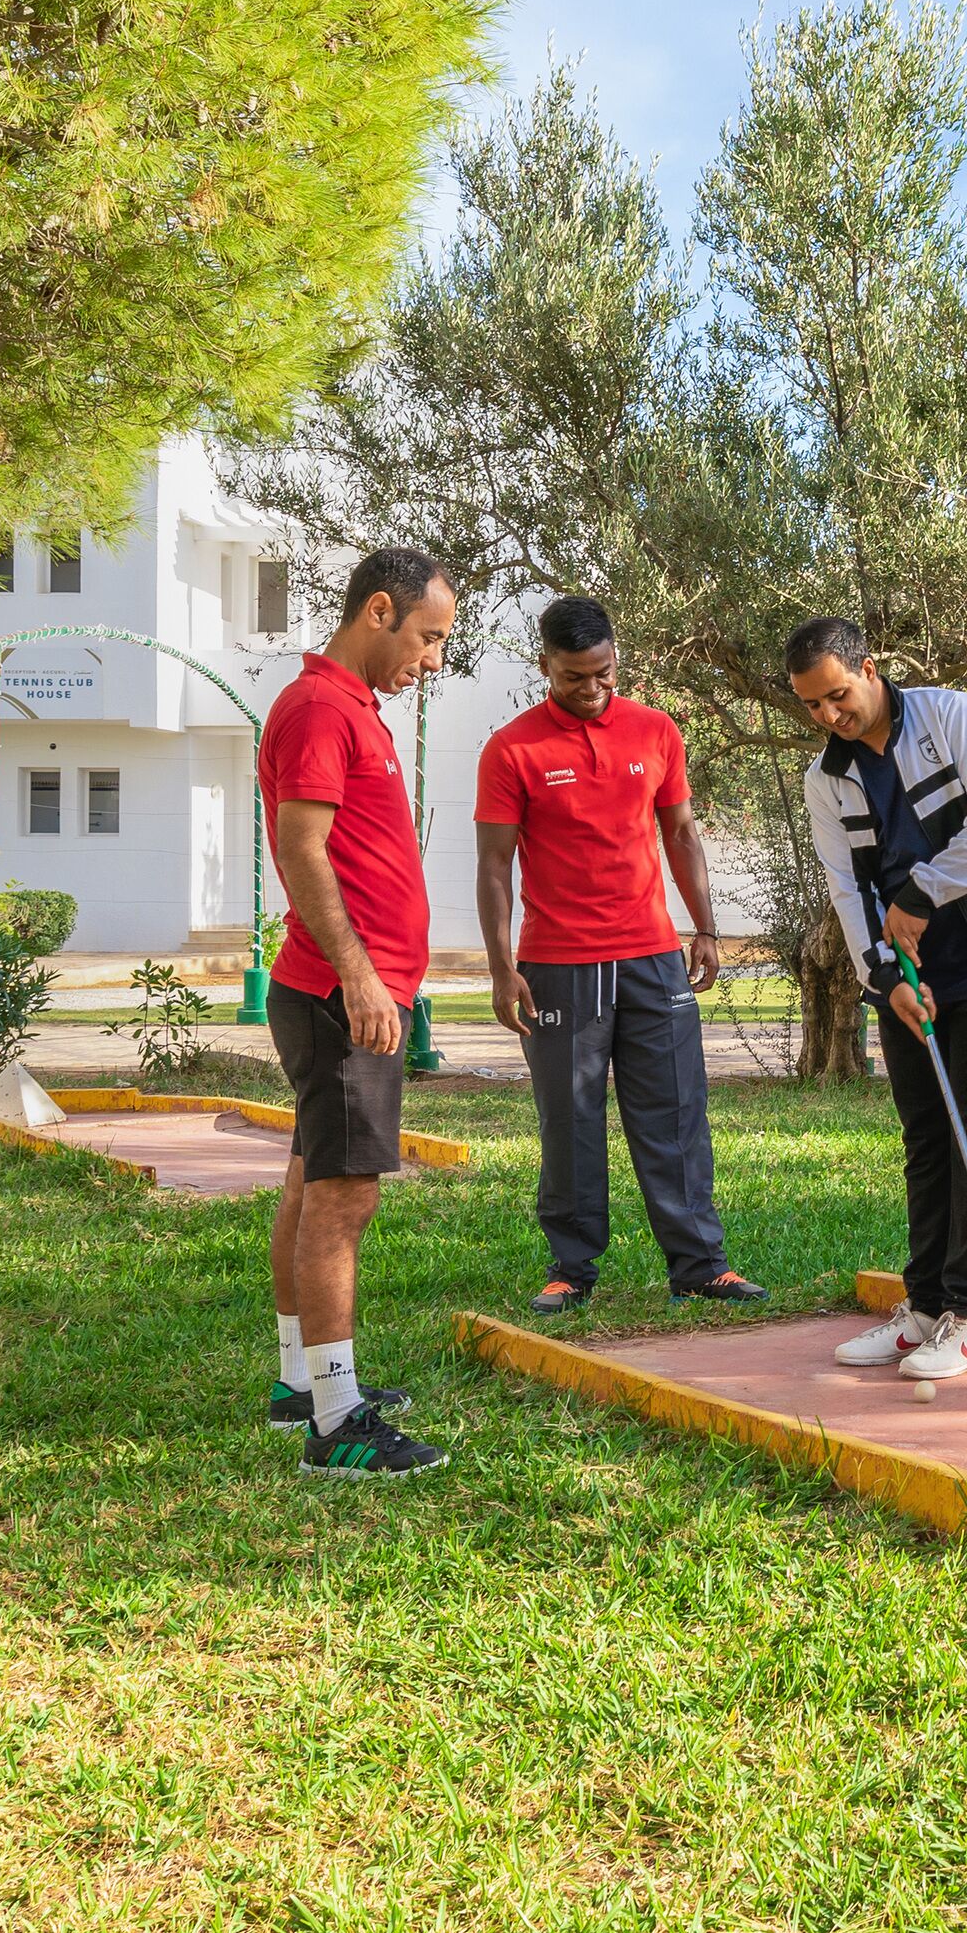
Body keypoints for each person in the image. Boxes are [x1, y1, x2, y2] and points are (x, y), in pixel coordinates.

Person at [477, 594, 765, 1316]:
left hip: (651, 957)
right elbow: (493, 866)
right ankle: (571, 1269)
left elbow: (683, 835)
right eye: (576, 676)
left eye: (604, 672)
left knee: (674, 1111)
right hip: (558, 965)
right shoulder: (511, 748)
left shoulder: (655, 731)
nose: (594, 688)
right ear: (545, 666)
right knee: (570, 1120)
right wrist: (500, 966)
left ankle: (700, 1265)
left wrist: (704, 926)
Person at [788, 616, 967, 1385]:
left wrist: (921, 894)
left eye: (838, 696)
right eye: (813, 707)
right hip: (908, 979)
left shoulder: (951, 716)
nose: (830, 717)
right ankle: (927, 1307)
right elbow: (845, 887)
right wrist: (886, 978)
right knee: (929, 1141)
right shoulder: (824, 780)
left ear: (870, 669)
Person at [262, 548, 455, 1477]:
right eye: (428, 636)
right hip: (340, 997)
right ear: (379, 611)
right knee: (346, 1198)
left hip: (343, 991)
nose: (432, 658)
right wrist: (361, 976)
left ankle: (301, 1383)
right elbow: (302, 852)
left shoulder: (351, 709)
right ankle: (335, 1424)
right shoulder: (316, 709)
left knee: (311, 1183)